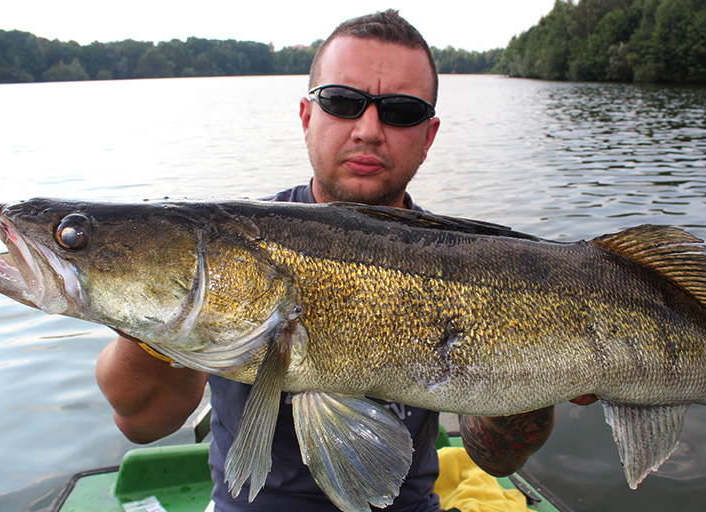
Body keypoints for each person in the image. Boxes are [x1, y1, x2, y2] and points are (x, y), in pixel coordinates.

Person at [96, 10, 593, 511]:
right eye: (342, 102)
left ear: (429, 135)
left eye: (400, 111)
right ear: (307, 116)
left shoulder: (477, 269)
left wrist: (547, 373)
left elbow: (497, 459)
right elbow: (141, 424)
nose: (369, 129)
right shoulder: (227, 246)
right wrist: (158, 308)